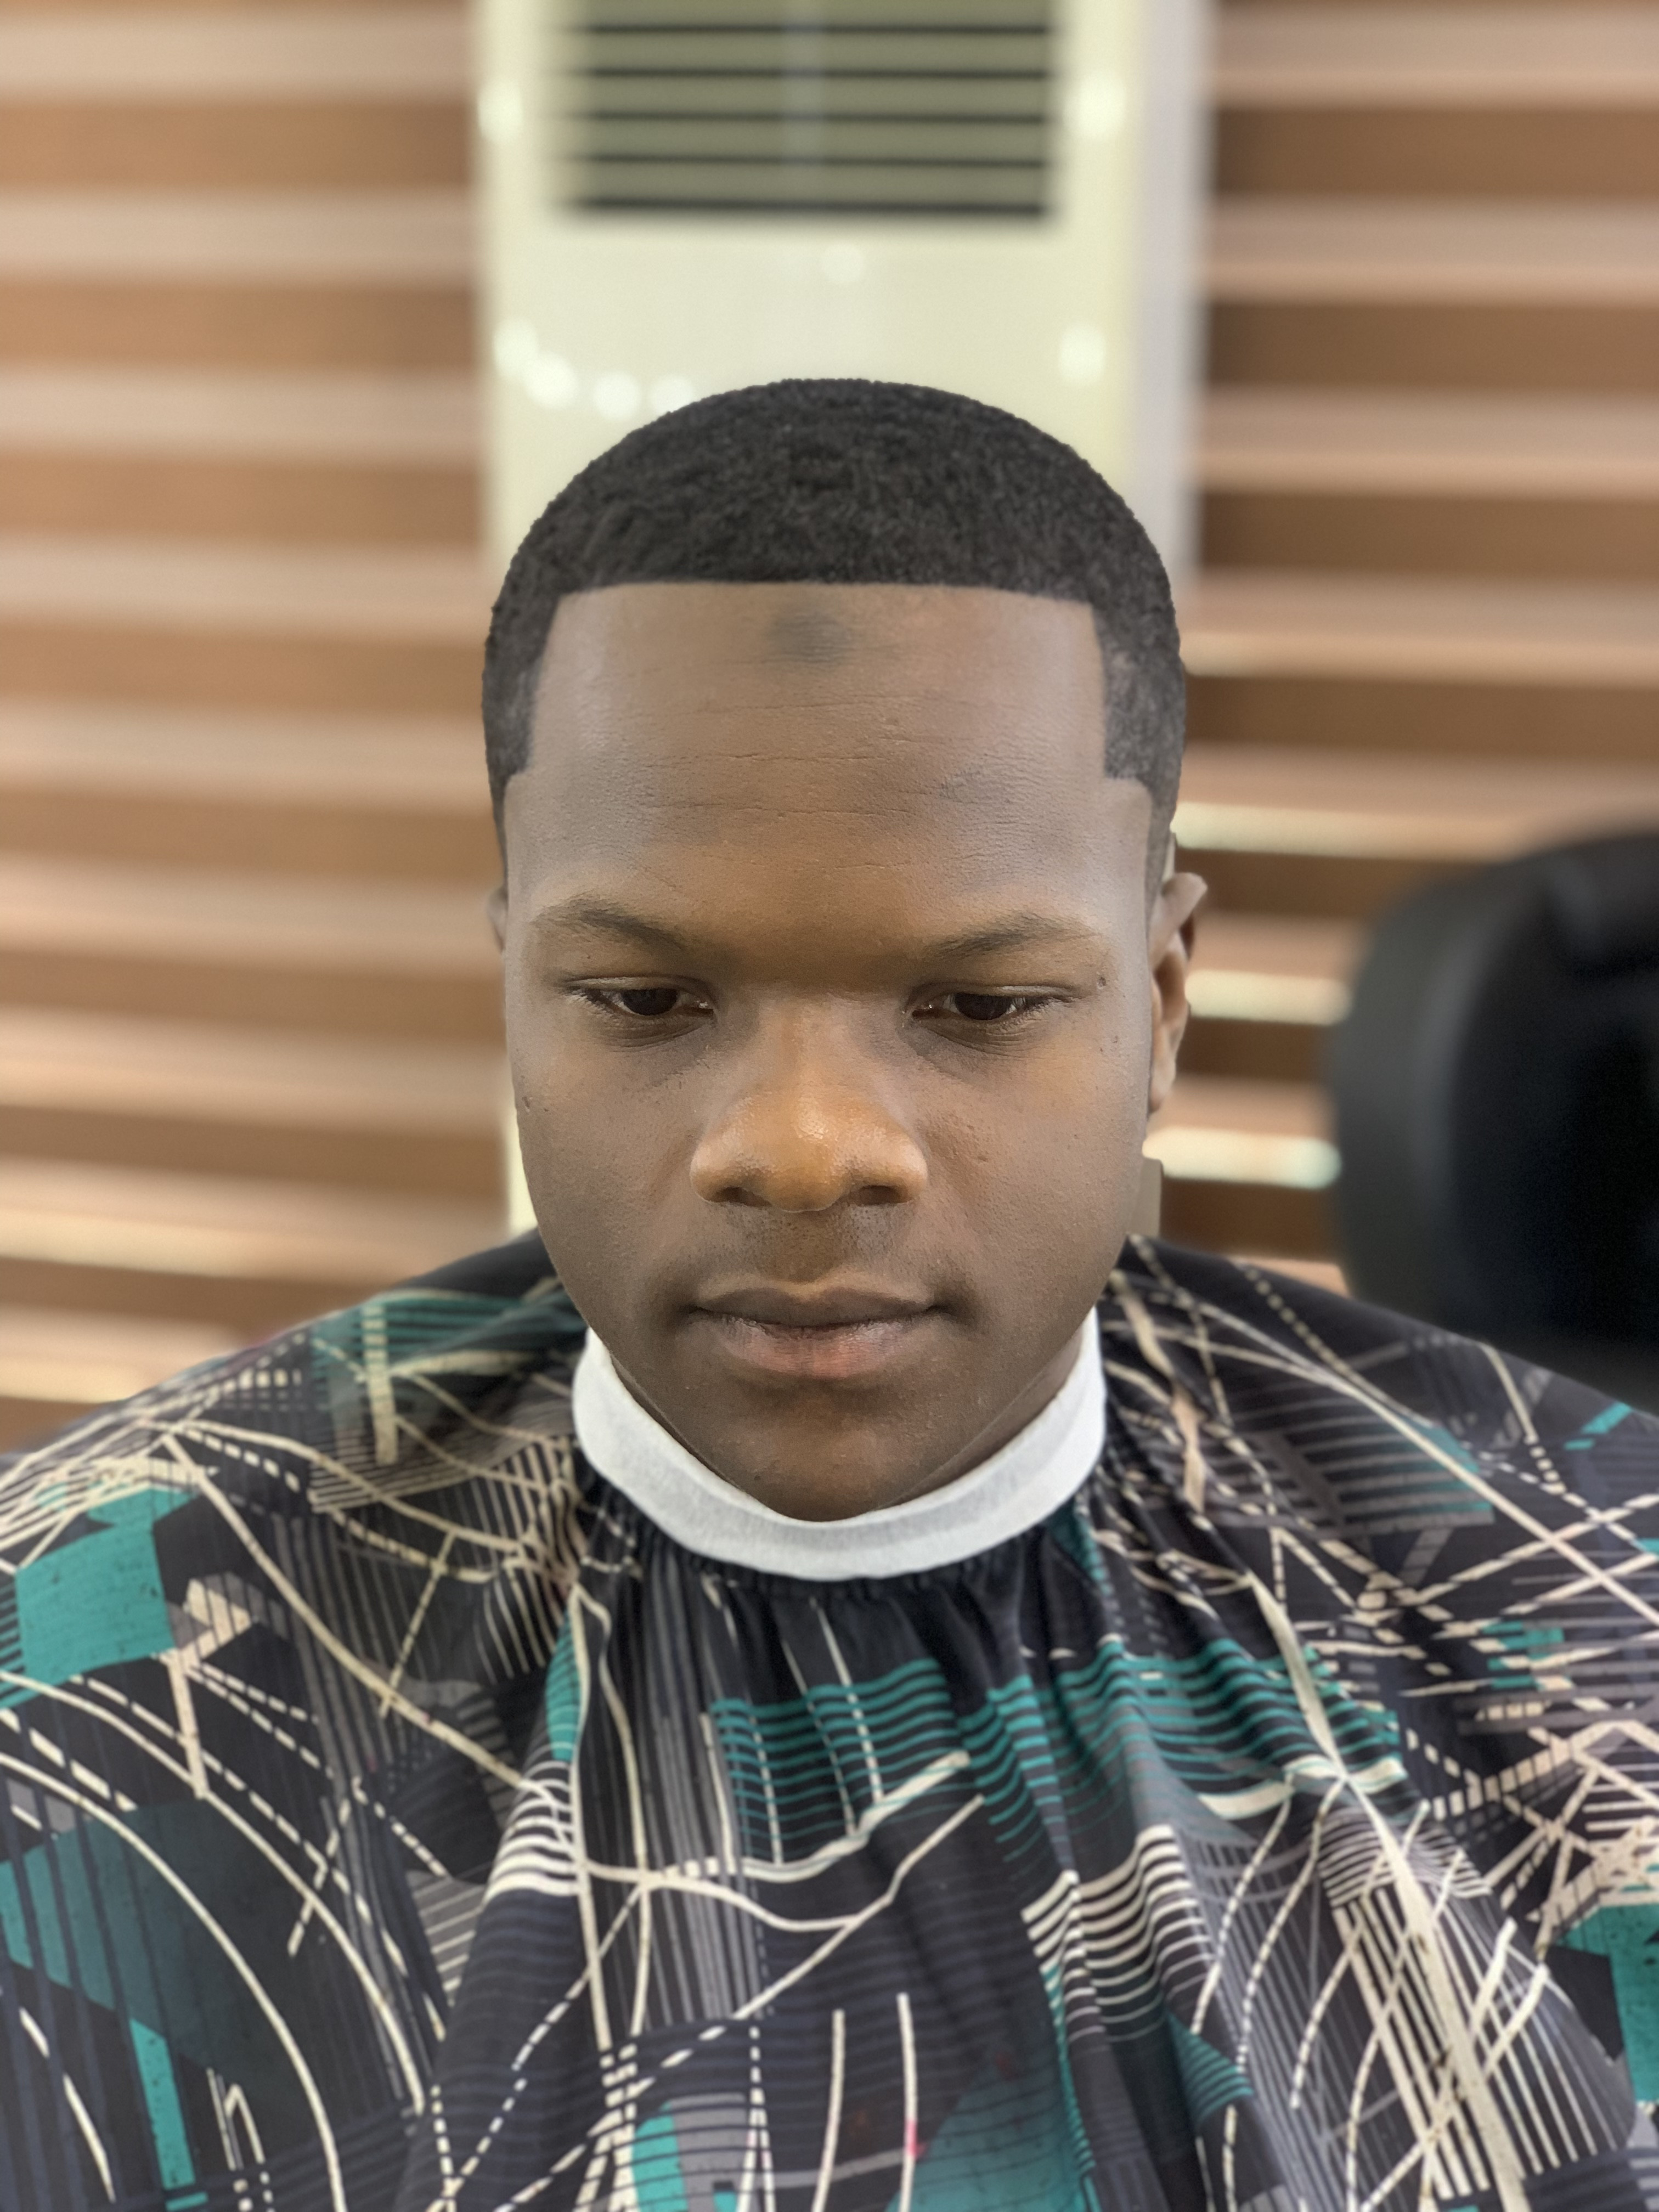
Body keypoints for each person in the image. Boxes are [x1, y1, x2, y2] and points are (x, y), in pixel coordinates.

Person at [2, 380, 1656, 2212]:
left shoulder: (1607, 1631)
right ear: (515, 988)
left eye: (981, 1005)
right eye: (644, 1000)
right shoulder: (65, 1676)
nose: (803, 1150)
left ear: (1162, 1004)